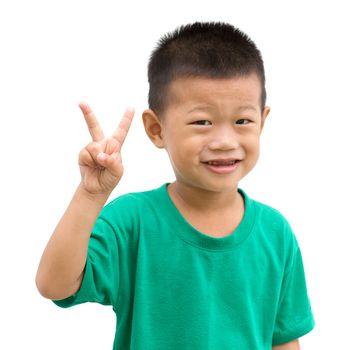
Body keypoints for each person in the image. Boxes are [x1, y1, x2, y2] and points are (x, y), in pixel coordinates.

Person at [36, 22, 315, 349]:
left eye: (242, 121)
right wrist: (90, 194)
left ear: (262, 122)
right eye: (202, 122)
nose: (225, 141)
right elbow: (54, 285)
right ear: (157, 129)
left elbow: (283, 340)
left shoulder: (276, 232)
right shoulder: (133, 221)